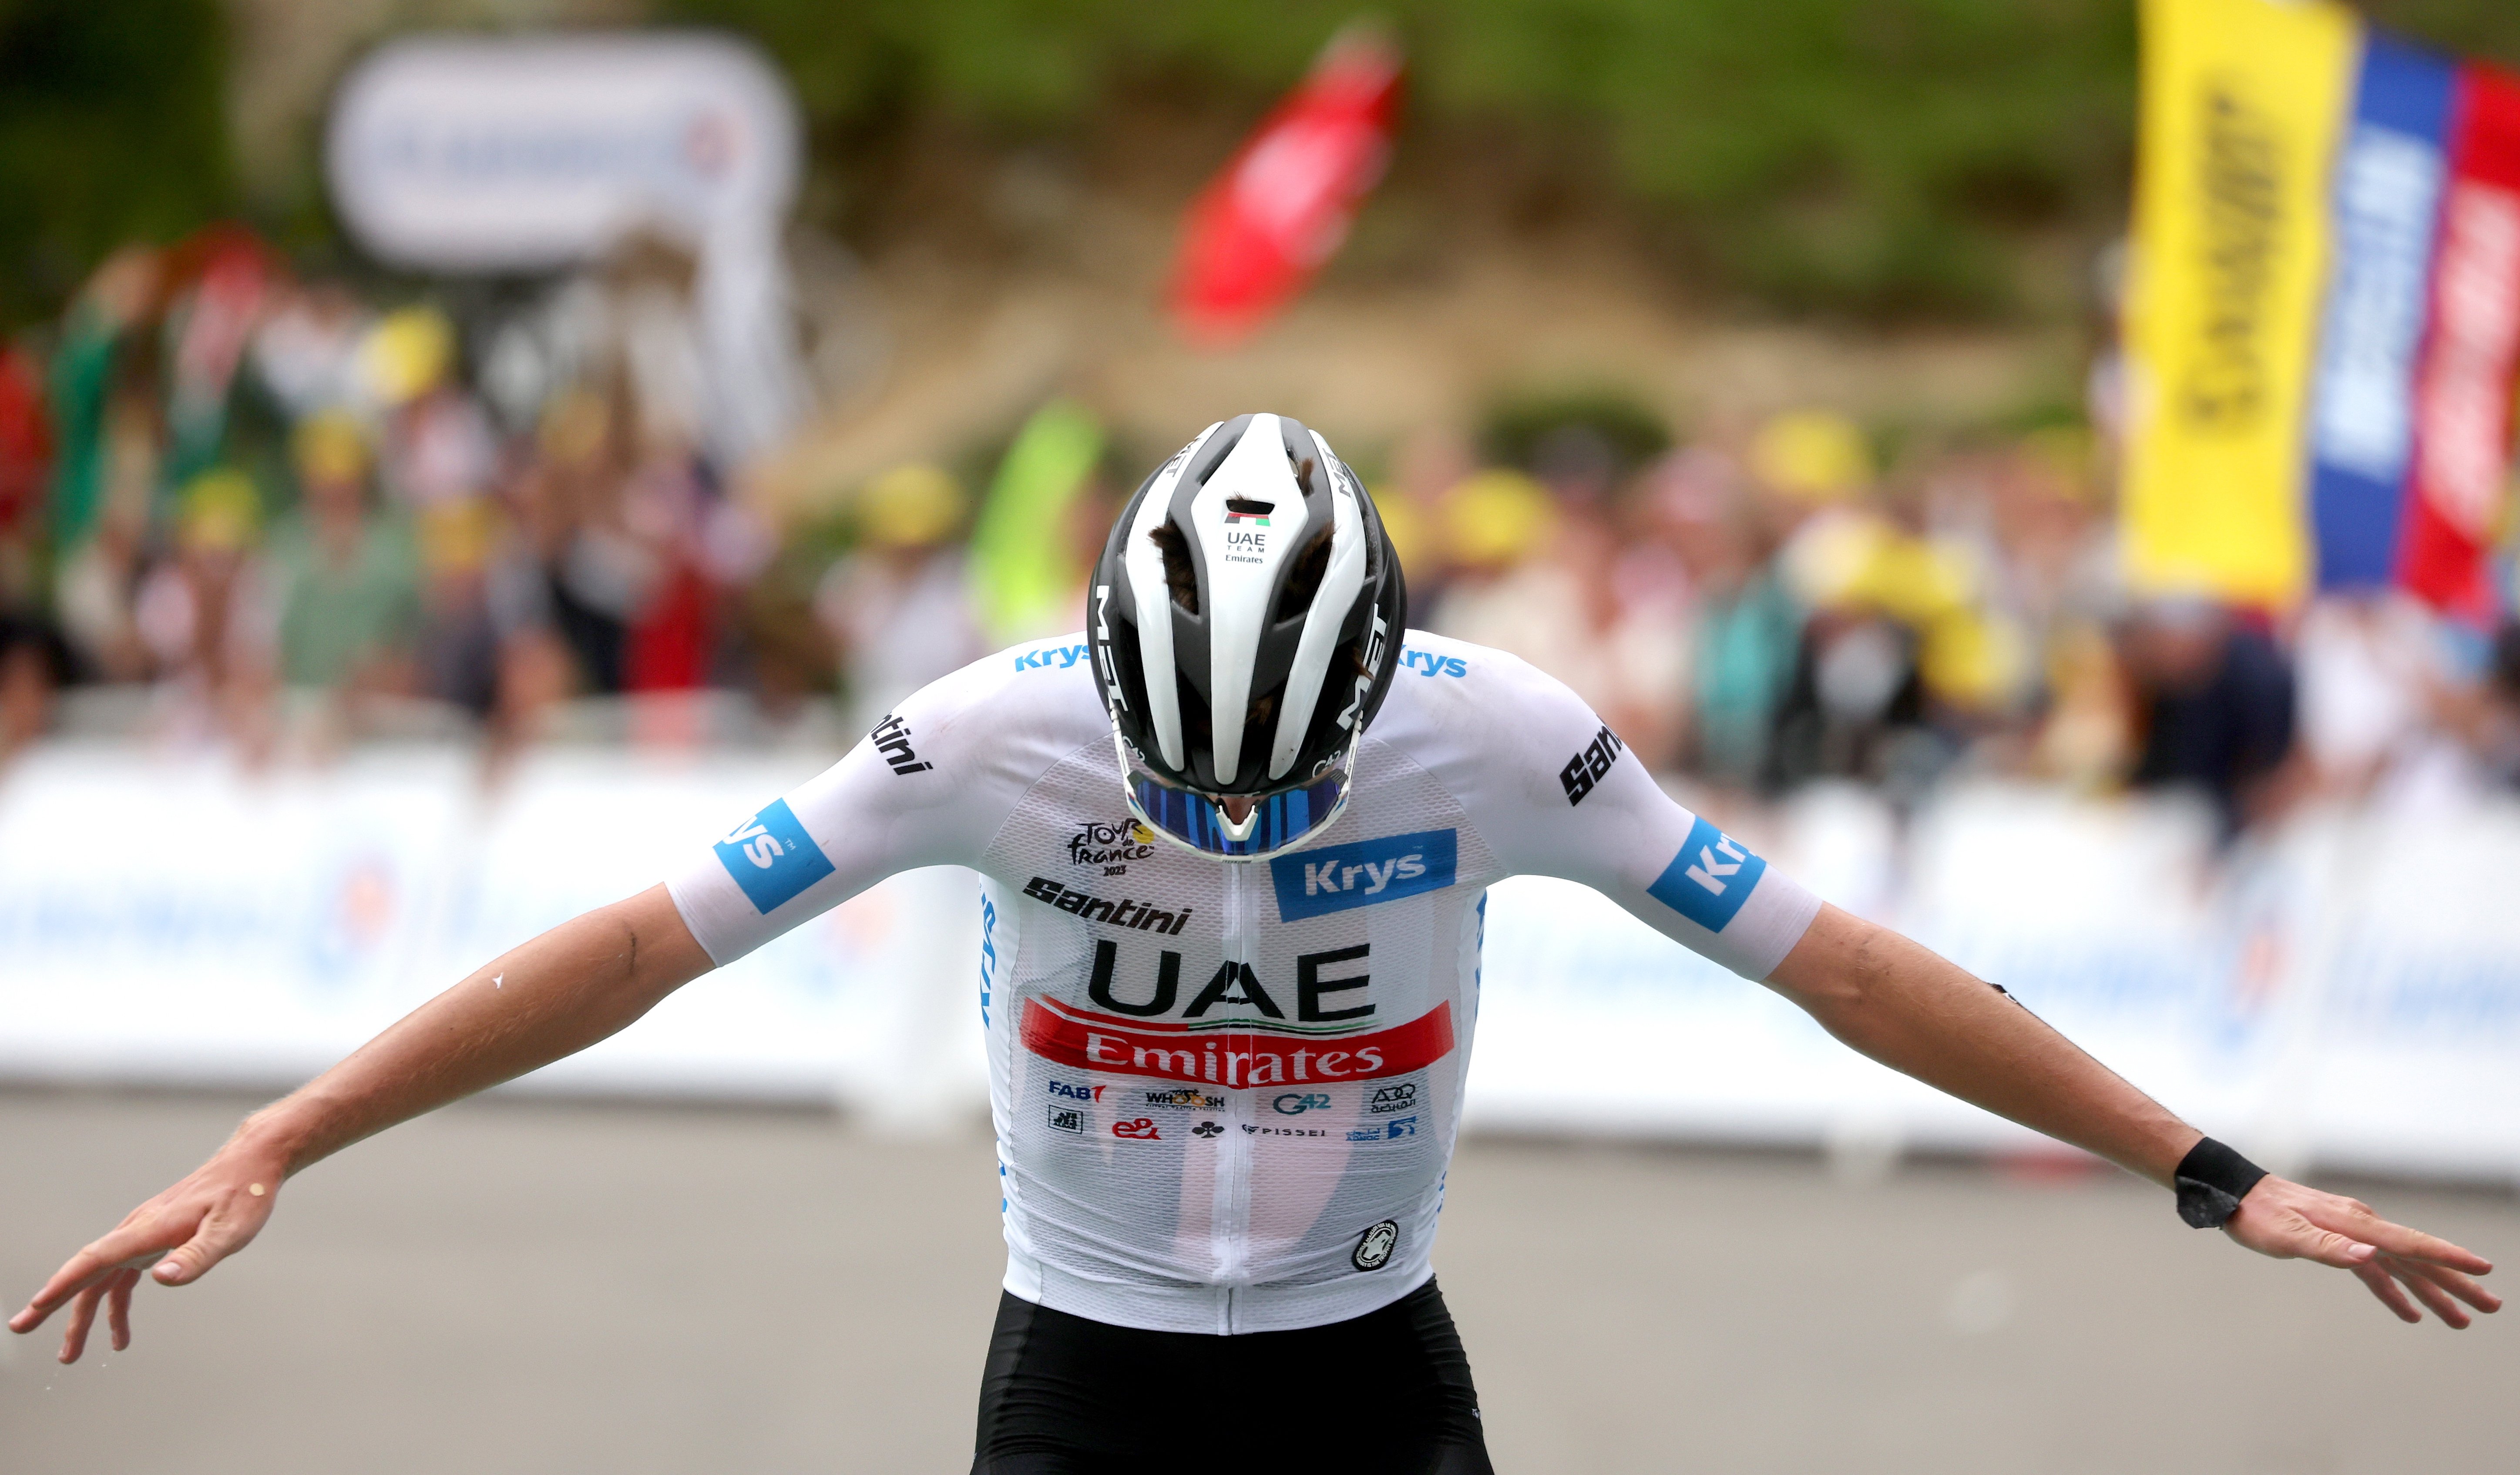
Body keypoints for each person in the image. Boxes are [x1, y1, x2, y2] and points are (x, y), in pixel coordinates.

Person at [10, 414, 2497, 1475]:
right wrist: (288, 1131)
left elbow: (1840, 965)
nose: (1226, 826)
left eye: (1285, 783)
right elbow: (635, 946)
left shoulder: (1502, 732)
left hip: (1364, 1381)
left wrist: (2204, 1168)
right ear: (1106, 679)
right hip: (1075, 1383)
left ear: (1382, 677)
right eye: (1182, 783)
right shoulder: (982, 729)